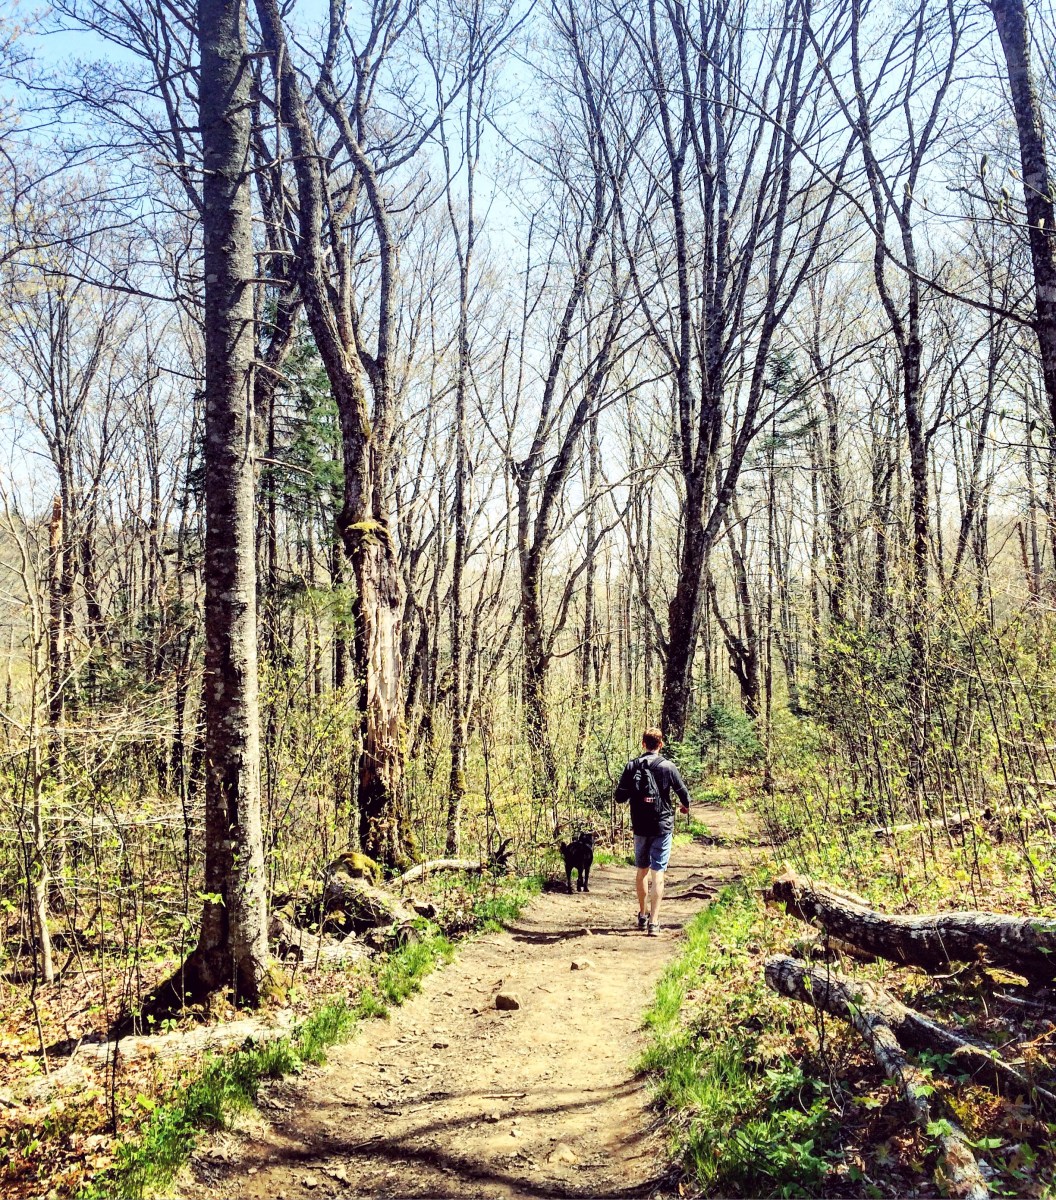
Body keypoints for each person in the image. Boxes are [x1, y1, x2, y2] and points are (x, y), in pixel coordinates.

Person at [614, 727, 690, 936]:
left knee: (642, 871)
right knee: (658, 873)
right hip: (662, 825)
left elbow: (619, 797)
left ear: (643, 744)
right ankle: (654, 923)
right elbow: (683, 793)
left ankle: (642, 913)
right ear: (661, 744)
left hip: (640, 826)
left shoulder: (632, 767)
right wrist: (685, 807)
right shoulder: (668, 766)